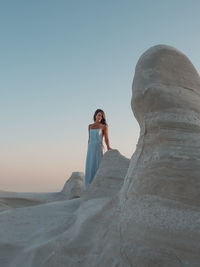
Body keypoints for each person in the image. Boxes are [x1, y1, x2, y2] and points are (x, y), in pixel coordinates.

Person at [85, 109, 111, 189]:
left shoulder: (104, 126)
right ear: (95, 115)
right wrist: (88, 148)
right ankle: (88, 186)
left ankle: (98, 185)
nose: (100, 117)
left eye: (101, 116)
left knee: (98, 165)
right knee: (90, 165)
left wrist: (108, 147)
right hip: (91, 148)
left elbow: (106, 138)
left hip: (98, 148)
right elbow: (89, 139)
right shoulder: (90, 126)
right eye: (99, 115)